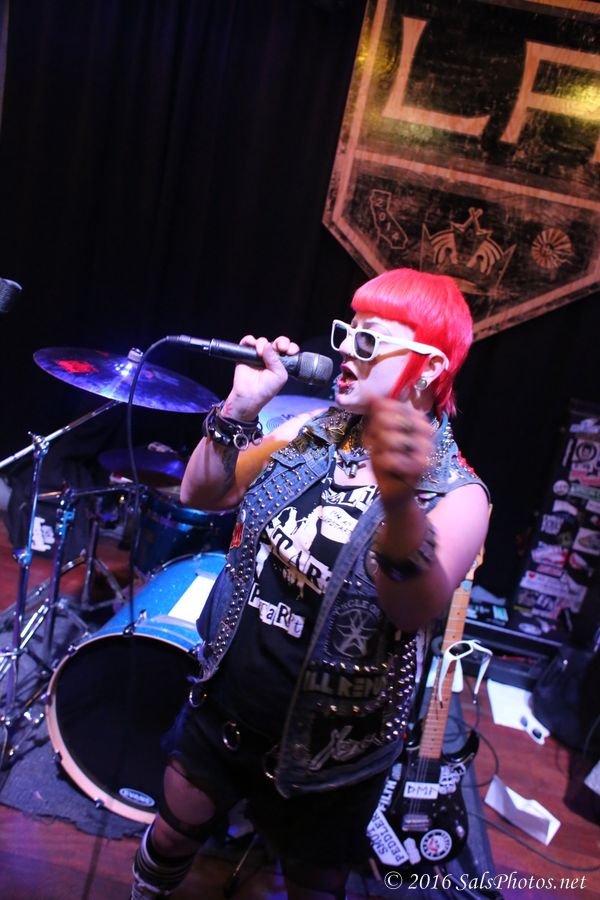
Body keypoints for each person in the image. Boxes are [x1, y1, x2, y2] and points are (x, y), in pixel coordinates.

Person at [131, 268, 490, 899]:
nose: (346, 350)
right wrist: (240, 408)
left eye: (369, 341)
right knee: (171, 835)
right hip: (227, 707)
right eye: (346, 332)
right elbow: (202, 492)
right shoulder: (310, 431)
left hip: (333, 752)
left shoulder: (459, 495)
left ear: (430, 368)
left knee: (311, 885)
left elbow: (411, 610)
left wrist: (399, 501)